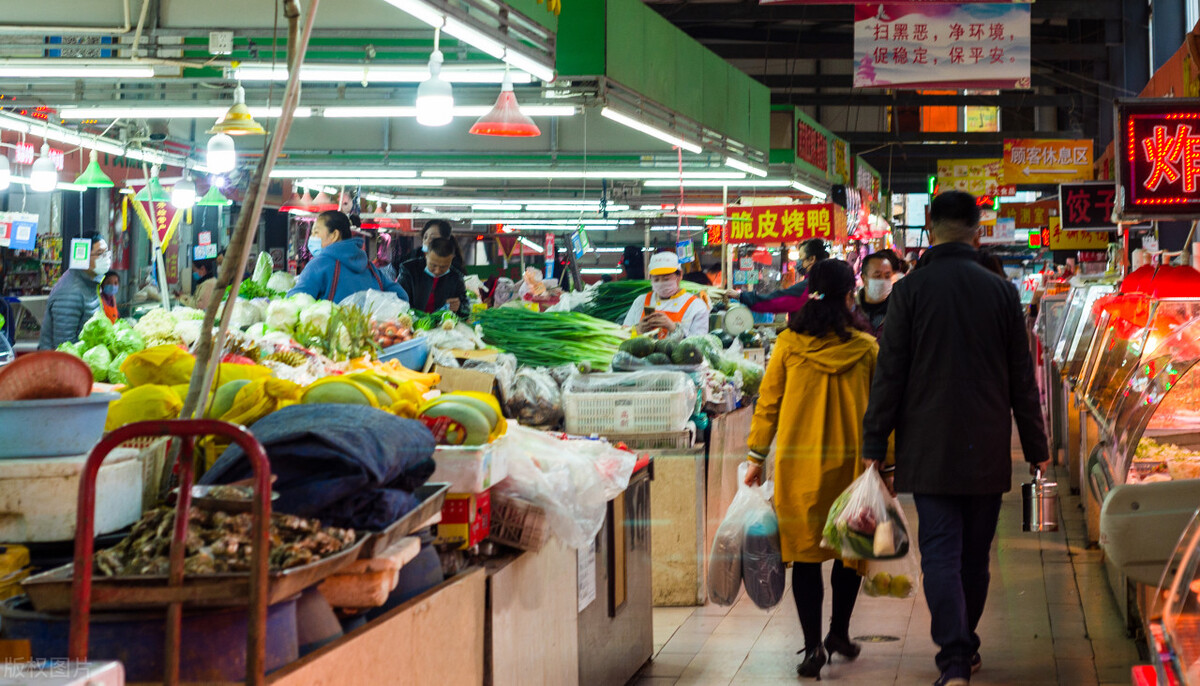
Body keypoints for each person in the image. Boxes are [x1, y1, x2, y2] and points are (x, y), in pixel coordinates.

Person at [861, 191, 1049, 686]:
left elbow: (889, 377)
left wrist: (874, 447)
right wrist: (1037, 449)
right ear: (979, 228)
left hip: (929, 446)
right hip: (986, 444)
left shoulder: (910, 292)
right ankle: (965, 645)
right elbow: (1022, 380)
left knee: (940, 553)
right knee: (974, 557)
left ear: (928, 222)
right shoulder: (1002, 293)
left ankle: (955, 658)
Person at [743, 259, 877, 679]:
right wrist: (887, 463)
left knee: (804, 558)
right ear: (850, 294)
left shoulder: (787, 345)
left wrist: (755, 456)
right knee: (849, 551)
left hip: (798, 466)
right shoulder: (868, 348)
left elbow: (768, 405)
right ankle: (839, 632)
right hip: (852, 464)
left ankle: (813, 648)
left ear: (809, 292)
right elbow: (883, 411)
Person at [289, 210, 409, 303]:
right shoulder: (369, 267)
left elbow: (295, 301)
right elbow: (402, 297)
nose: (312, 237)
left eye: (316, 232)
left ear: (334, 235)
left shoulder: (319, 265)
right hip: (369, 333)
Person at [38, 233, 110, 350]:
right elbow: (64, 346)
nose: (106, 258)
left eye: (106, 252)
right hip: (63, 365)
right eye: (100, 253)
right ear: (84, 256)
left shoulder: (91, 282)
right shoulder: (70, 293)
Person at [721, 238, 829, 314]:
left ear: (812, 259)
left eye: (801, 258)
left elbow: (775, 301)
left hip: (812, 342)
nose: (799, 263)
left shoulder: (809, 286)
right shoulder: (831, 279)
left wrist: (741, 296)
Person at [621, 252, 710, 338]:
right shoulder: (640, 301)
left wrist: (673, 328)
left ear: (679, 275)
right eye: (656, 280)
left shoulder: (696, 306)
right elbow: (623, 334)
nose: (661, 283)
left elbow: (700, 343)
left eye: (666, 279)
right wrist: (638, 330)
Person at [398, 237, 469, 318]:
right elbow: (399, 300)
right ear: (426, 255)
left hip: (441, 326)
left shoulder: (456, 278)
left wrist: (459, 307)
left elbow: (466, 308)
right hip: (411, 322)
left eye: (444, 267)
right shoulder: (409, 270)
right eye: (433, 265)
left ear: (451, 259)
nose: (437, 271)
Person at [857, 250, 896, 336]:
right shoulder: (852, 310)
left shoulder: (898, 309)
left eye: (887, 276)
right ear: (864, 279)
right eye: (877, 276)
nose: (883, 280)